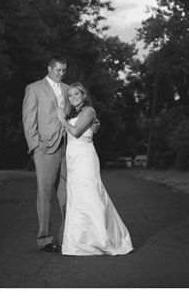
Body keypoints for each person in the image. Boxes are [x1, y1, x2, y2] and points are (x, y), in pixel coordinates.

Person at [57, 83, 133, 255]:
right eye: (70, 95)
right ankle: (79, 240)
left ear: (83, 95)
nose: (73, 97)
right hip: (72, 159)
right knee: (77, 197)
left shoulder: (89, 111)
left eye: (77, 94)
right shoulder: (72, 113)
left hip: (85, 158)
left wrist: (61, 120)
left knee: (90, 194)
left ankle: (100, 240)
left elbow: (76, 132)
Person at [21, 56, 69, 252]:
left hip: (69, 147)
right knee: (45, 193)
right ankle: (45, 239)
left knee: (68, 193)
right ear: (49, 68)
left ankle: (68, 236)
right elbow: (28, 119)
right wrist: (35, 146)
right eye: (58, 70)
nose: (62, 74)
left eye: (64, 71)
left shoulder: (68, 89)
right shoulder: (34, 88)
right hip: (45, 148)